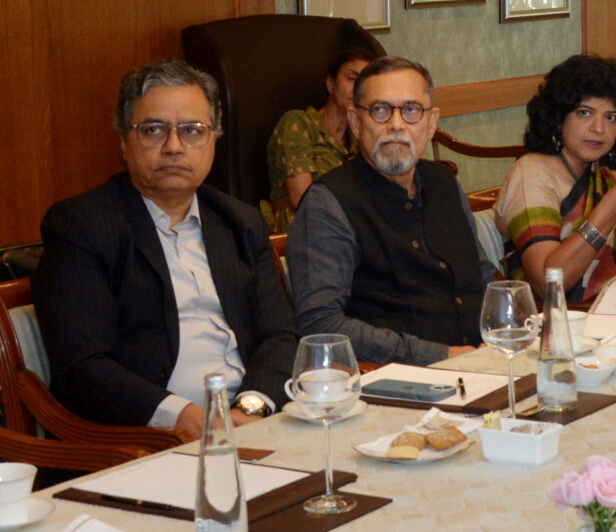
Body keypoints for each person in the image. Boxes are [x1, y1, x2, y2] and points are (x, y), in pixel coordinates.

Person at [36, 60, 295, 436]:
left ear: (214, 140)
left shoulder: (239, 221)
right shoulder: (82, 225)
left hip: (249, 423)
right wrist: (184, 417)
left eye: (192, 131)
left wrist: (250, 409)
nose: (174, 147)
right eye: (154, 129)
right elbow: (83, 367)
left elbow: (279, 334)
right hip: (145, 440)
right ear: (124, 142)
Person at [287, 56, 493, 366]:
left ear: (432, 122)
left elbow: (482, 276)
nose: (396, 125)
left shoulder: (443, 182)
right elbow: (321, 325)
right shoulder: (328, 203)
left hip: (483, 365)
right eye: (380, 110)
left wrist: (517, 331)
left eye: (411, 110)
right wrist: (441, 356)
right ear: (356, 121)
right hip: (397, 382)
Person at [499, 53, 616, 300]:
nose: (599, 128)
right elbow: (548, 284)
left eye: (611, 117)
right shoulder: (532, 174)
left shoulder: (604, 173)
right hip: (571, 325)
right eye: (585, 113)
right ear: (558, 117)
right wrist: (611, 207)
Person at [264, 24, 386, 232]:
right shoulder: (297, 123)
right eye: (351, 78)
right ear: (330, 84)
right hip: (304, 229)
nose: (357, 89)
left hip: (354, 226)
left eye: (364, 83)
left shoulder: (361, 134)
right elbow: (303, 200)